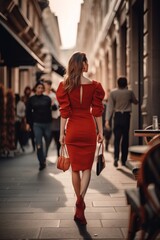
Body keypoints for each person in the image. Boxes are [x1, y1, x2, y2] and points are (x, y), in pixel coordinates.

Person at [56, 52, 105, 225]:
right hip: (88, 129)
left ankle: (78, 201)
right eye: (86, 62)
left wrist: (61, 134)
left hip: (73, 130)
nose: (88, 65)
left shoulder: (65, 86)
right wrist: (101, 132)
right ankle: (80, 201)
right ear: (83, 65)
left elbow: (64, 113)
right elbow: (97, 112)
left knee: (75, 169)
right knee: (86, 169)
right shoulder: (95, 86)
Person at [105, 76, 138, 167]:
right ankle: (123, 160)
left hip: (117, 117)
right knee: (125, 138)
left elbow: (110, 108)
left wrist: (107, 120)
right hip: (126, 117)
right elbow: (135, 101)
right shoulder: (129, 92)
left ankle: (116, 157)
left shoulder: (113, 93)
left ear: (117, 83)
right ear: (126, 83)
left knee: (117, 139)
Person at [26, 81, 52, 171]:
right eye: (39, 88)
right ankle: (41, 162)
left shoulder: (47, 99)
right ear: (35, 88)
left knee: (48, 139)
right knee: (39, 144)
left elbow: (51, 109)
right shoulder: (31, 99)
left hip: (47, 123)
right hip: (37, 124)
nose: (40, 89)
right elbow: (28, 112)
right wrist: (28, 123)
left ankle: (44, 156)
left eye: (42, 88)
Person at [43, 80, 61, 157]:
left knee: (57, 139)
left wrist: (52, 105)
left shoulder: (54, 95)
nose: (47, 87)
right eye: (46, 85)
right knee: (47, 138)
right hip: (45, 120)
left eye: (48, 85)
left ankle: (58, 154)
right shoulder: (42, 95)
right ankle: (45, 155)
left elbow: (56, 107)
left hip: (54, 120)